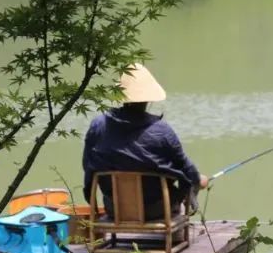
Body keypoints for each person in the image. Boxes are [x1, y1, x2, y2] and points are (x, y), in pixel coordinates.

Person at [83, 64, 208, 220]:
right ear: (149, 98)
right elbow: (185, 167)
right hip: (157, 210)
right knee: (186, 191)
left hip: (115, 209)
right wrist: (197, 181)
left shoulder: (98, 125)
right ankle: (174, 232)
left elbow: (88, 166)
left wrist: (91, 199)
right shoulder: (162, 130)